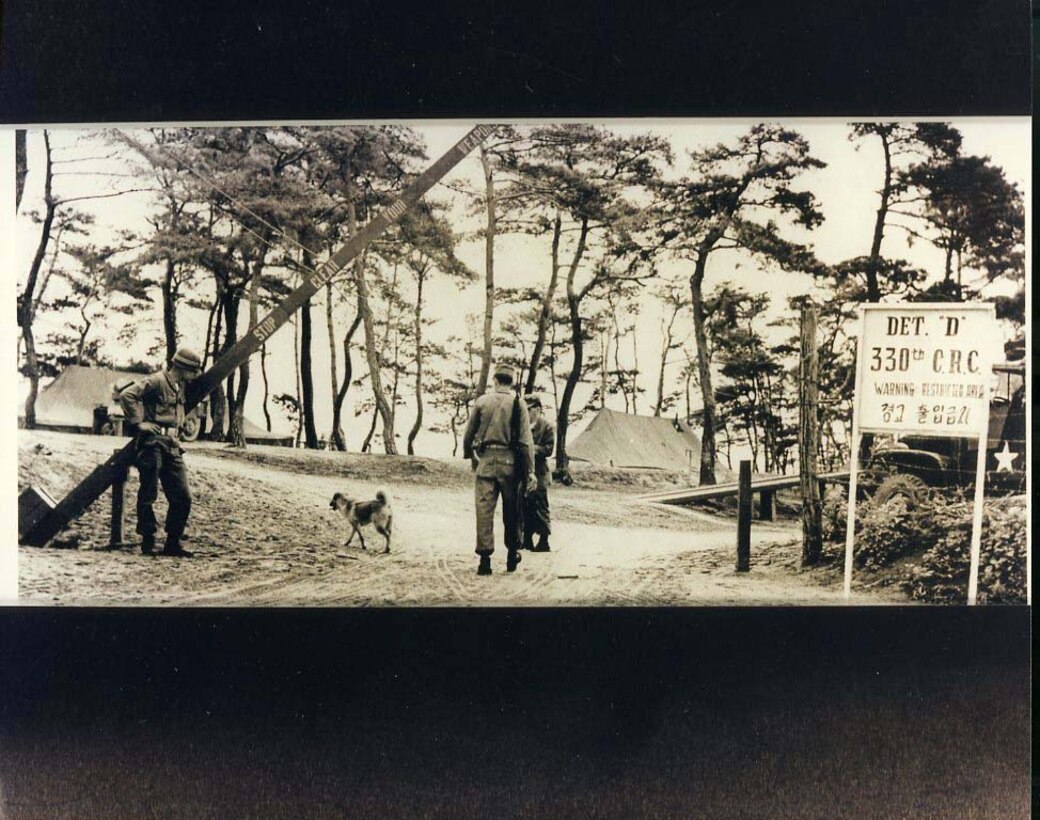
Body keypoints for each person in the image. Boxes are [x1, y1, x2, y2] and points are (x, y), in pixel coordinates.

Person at [119, 347, 203, 557]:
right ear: (182, 368)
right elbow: (127, 395)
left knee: (183, 496)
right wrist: (139, 423)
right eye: (193, 370)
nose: (195, 375)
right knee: (149, 493)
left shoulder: (180, 387)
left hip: (172, 445)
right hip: (153, 443)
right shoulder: (156, 380)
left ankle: (172, 543)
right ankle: (148, 540)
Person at [462, 364, 536, 576]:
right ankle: (512, 554)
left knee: (484, 510)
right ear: (511, 382)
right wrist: (529, 470)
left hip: (486, 462)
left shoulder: (482, 401)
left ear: (495, 381)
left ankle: (485, 560)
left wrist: (470, 456)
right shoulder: (518, 403)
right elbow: (525, 441)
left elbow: (468, 435)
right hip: (510, 465)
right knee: (512, 511)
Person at [521, 395, 555, 552]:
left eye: (529, 409)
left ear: (538, 409)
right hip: (526, 470)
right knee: (524, 504)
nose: (527, 412)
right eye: (525, 409)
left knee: (540, 504)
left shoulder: (546, 426)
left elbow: (549, 449)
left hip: (540, 471)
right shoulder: (522, 425)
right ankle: (526, 539)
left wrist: (532, 449)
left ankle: (544, 540)